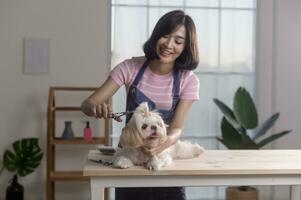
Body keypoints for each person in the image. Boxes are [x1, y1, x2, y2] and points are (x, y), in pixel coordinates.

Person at [81, 10, 199, 200]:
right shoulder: (130, 68)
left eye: (178, 41)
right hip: (130, 161)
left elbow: (177, 128)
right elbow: (88, 104)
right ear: (156, 35)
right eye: (165, 36)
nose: (169, 45)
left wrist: (159, 148)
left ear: (186, 47)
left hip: (162, 160)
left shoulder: (188, 80)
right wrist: (95, 107)